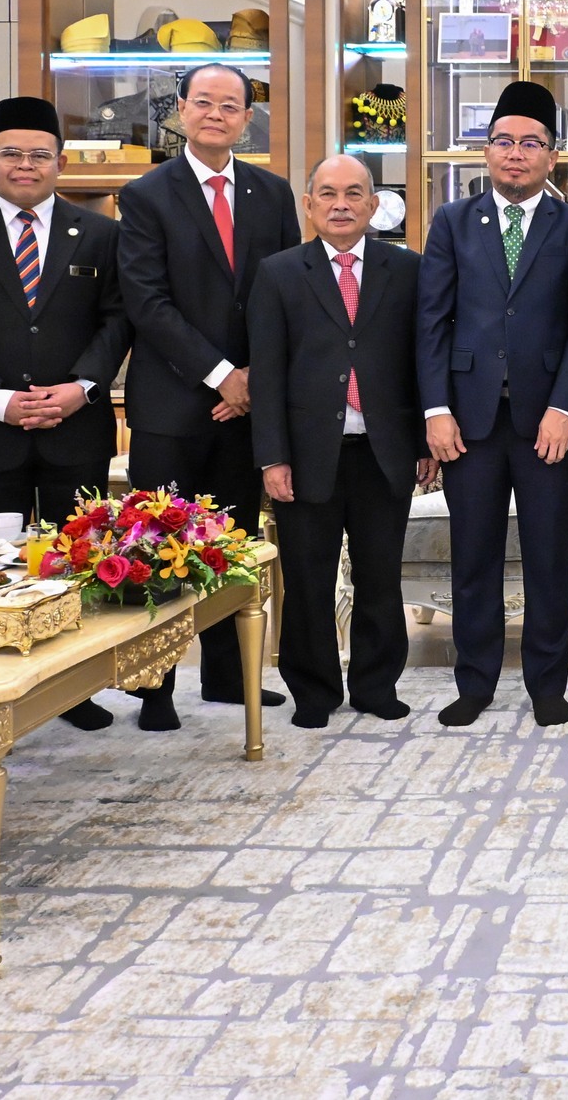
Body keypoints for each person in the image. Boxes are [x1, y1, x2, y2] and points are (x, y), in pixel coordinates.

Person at [0, 97, 131, 729]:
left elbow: (118, 319)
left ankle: (73, 690)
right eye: (11, 153)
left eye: (40, 154)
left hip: (76, 428)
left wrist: (83, 387)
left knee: (77, 563)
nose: (25, 165)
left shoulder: (101, 234)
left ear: (60, 163)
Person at [417, 81, 568, 728]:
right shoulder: (452, 221)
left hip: (545, 421)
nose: (516, 153)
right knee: (473, 555)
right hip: (467, 422)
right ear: (487, 150)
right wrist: (435, 410)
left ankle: (547, 683)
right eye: (504, 141)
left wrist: (565, 408)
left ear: (552, 155)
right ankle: (474, 682)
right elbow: (431, 323)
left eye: (530, 143)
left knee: (549, 555)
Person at [117, 63, 297, 731]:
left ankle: (227, 677)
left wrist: (253, 379)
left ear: (247, 118)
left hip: (246, 406)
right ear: (182, 111)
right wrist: (222, 374)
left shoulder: (272, 193)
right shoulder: (145, 195)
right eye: (203, 102)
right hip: (172, 406)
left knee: (231, 545)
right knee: (155, 549)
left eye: (229, 105)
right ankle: (155, 688)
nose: (215, 114)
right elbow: (147, 302)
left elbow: (285, 292)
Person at [251, 155, 432, 727]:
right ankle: (314, 692)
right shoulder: (279, 273)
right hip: (307, 456)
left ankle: (377, 686)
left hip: (384, 453)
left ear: (374, 205)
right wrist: (273, 456)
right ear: (309, 205)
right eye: (327, 194)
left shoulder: (407, 269)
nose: (341, 204)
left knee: (380, 577)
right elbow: (267, 373)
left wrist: (424, 441)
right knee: (307, 581)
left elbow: (421, 362)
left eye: (354, 194)